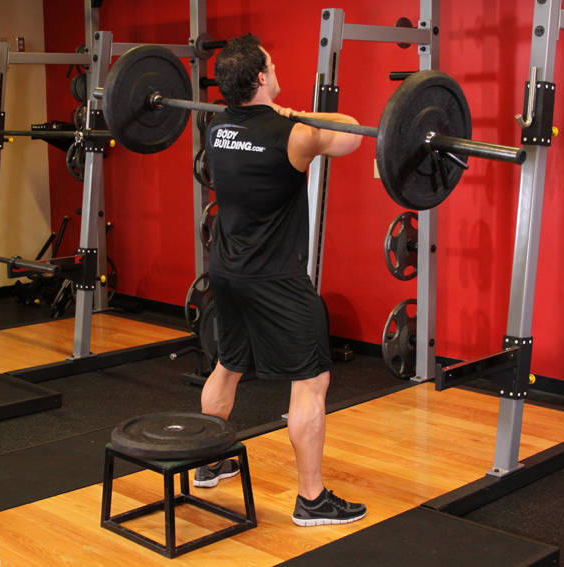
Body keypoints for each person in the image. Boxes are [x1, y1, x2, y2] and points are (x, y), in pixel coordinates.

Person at [193, 33, 366, 527]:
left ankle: (208, 463)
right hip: (278, 281)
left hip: (225, 271)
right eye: (271, 61)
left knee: (227, 364)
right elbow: (353, 134)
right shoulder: (294, 134)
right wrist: (296, 115)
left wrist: (284, 114)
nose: (275, 63)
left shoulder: (216, 128)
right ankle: (312, 500)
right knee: (311, 381)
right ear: (262, 77)